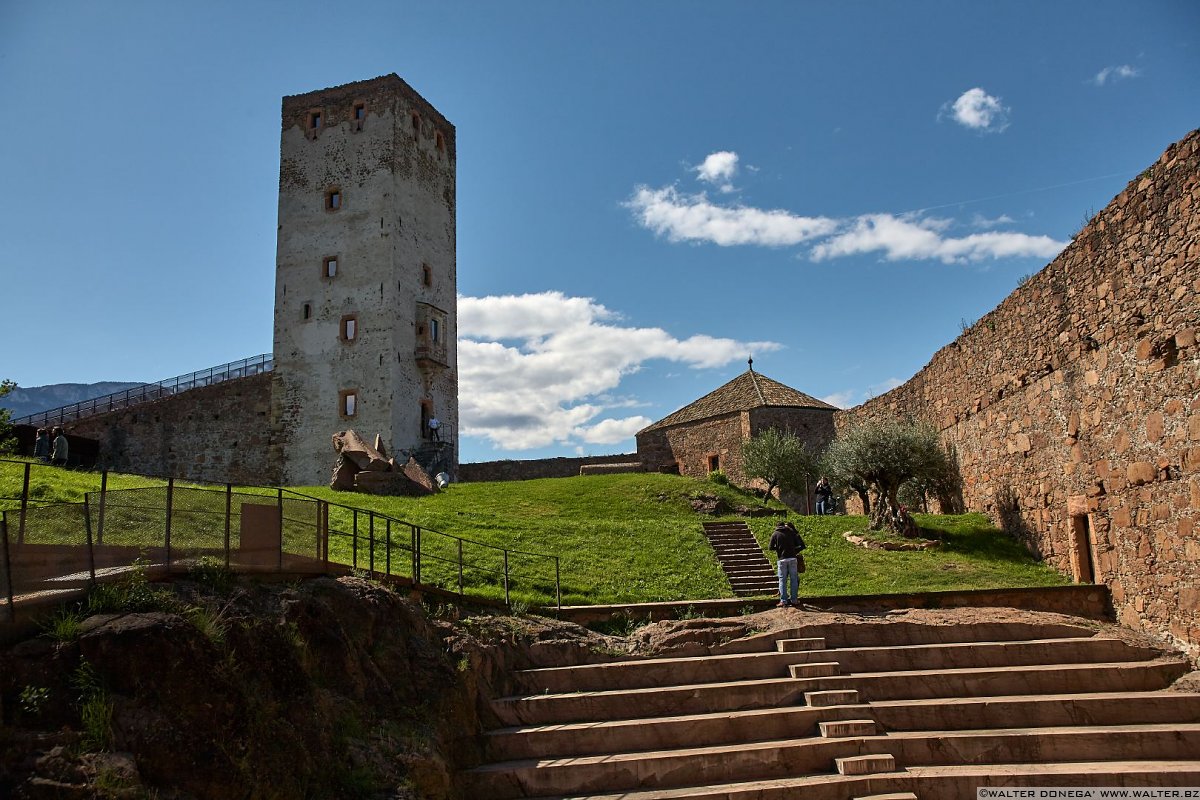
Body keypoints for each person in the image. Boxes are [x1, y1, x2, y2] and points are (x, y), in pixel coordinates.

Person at [769, 520, 806, 608]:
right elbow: (799, 544)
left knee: (782, 580)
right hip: (793, 558)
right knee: (794, 579)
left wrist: (778, 548)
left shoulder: (775, 534)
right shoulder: (791, 532)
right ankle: (794, 600)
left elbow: (770, 547)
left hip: (782, 559)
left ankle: (783, 600)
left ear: (777, 526)